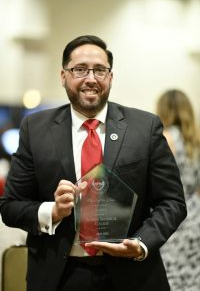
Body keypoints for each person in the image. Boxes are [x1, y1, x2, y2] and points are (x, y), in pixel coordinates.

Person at [0, 35, 187, 291]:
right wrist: (52, 212)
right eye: (80, 69)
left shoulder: (144, 128)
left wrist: (142, 243)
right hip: (59, 276)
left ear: (110, 77)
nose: (91, 78)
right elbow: (10, 206)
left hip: (133, 275)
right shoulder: (35, 128)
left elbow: (172, 202)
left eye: (100, 70)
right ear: (63, 75)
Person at [156, 89, 200, 291]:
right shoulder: (195, 141)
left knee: (171, 276)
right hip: (196, 216)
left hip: (172, 215)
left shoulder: (165, 138)